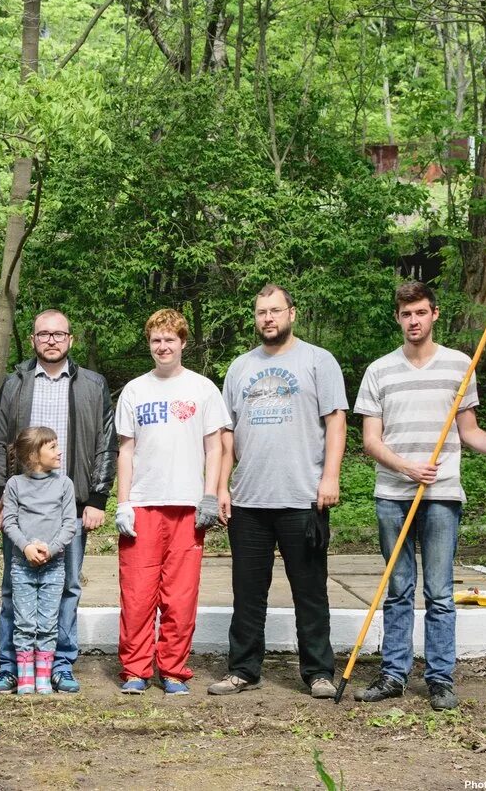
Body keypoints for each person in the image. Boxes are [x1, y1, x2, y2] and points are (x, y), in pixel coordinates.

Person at [353, 281, 486, 710]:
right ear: (398, 317)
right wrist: (405, 467)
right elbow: (370, 441)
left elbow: (470, 432)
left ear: (434, 314)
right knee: (398, 587)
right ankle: (394, 674)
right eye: (406, 314)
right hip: (392, 494)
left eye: (420, 312)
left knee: (439, 591)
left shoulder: (460, 365)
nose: (413, 320)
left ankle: (440, 678)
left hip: (442, 495)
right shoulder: (379, 370)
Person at [208, 285, 346, 700]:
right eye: (261, 312)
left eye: (275, 310)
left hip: (303, 497)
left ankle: (319, 671)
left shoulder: (318, 361)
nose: (268, 318)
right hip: (249, 500)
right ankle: (243, 670)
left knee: (310, 591)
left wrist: (331, 477)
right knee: (248, 593)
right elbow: (227, 434)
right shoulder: (239, 367)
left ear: (292, 314)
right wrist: (221, 487)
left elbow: (336, 423)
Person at [0, 309, 115, 695]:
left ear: (71, 340)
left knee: (68, 586)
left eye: (59, 334)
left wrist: (97, 497)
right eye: (44, 334)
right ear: (33, 340)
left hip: (69, 506)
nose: (52, 340)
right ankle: (12, 665)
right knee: (14, 586)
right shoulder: (16, 383)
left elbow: (105, 443)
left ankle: (60, 663)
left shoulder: (92, 384)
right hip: (22, 507)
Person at [114, 308, 229, 695]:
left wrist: (210, 496)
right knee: (138, 594)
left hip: (187, 506)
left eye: (169, 339)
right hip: (144, 505)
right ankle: (135, 669)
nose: (162, 346)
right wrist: (123, 502)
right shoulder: (134, 390)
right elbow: (126, 451)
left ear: (183, 342)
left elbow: (215, 448)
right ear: (149, 344)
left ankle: (174, 669)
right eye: (155, 340)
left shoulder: (202, 389)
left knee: (179, 597)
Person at [0, 426, 77, 695]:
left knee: (47, 623)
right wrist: (26, 547)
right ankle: (24, 677)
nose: (59, 451)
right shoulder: (15, 485)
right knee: (24, 622)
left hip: (54, 566)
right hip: (22, 566)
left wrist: (51, 549)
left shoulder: (64, 484)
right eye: (53, 447)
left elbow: (69, 524)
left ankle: (43, 676)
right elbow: (8, 521)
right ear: (34, 454)